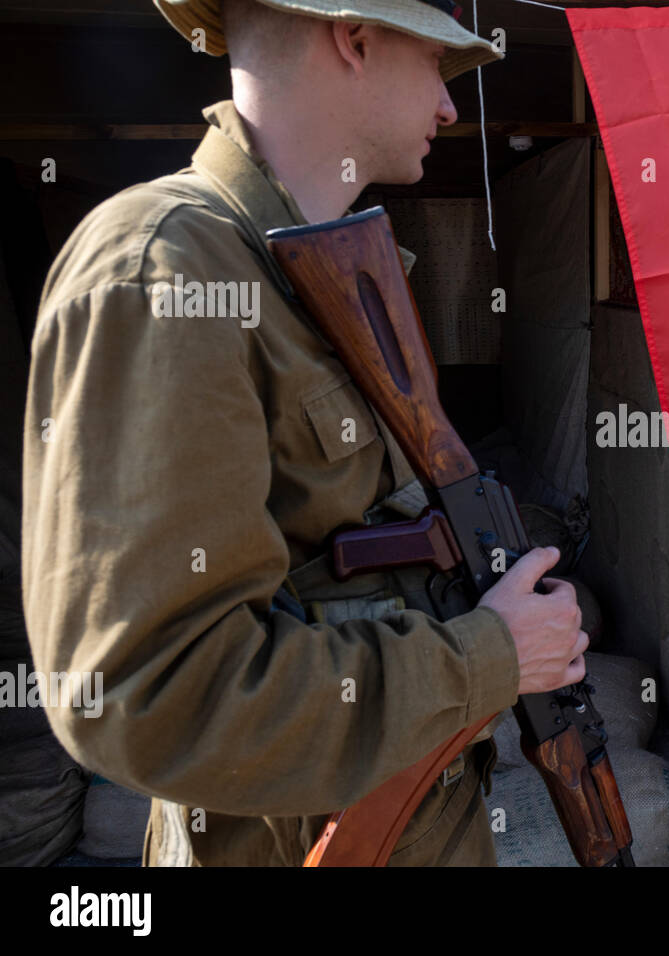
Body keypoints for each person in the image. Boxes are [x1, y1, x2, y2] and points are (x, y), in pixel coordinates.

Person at [22, 0, 588, 867]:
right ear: (354, 38)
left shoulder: (323, 278)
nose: (448, 108)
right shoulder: (164, 272)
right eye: (437, 68)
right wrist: (487, 657)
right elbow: (148, 695)